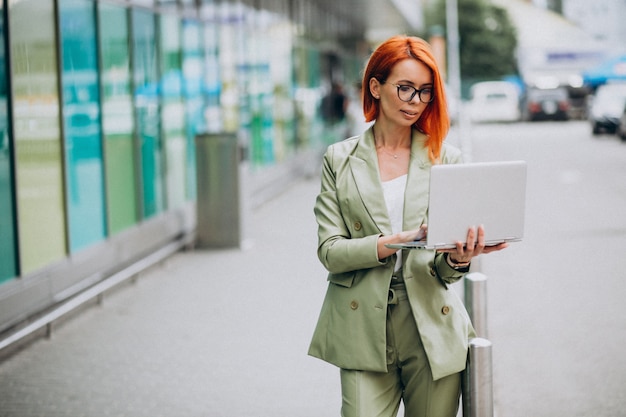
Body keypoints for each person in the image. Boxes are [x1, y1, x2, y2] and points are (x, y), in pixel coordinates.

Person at [308, 35, 508, 417]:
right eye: (405, 88)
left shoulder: (445, 158)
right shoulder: (340, 159)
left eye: (425, 92)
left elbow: (444, 270)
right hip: (361, 322)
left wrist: (459, 259)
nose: (415, 101)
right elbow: (329, 251)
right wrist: (393, 241)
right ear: (375, 86)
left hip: (431, 322)